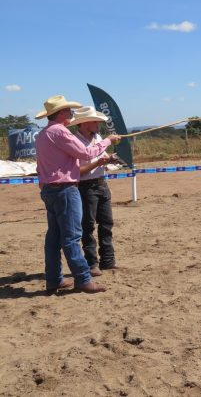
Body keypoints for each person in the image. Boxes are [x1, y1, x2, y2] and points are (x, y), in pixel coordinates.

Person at [35, 95, 121, 293]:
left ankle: (54, 279)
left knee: (54, 237)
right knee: (72, 236)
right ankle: (83, 279)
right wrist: (108, 141)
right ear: (61, 113)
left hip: (50, 189)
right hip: (64, 189)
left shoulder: (43, 134)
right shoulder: (60, 132)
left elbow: (41, 165)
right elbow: (86, 153)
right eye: (69, 110)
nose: (72, 113)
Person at [69, 106, 120, 276]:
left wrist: (109, 159)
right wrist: (98, 163)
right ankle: (92, 263)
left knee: (107, 223)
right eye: (95, 121)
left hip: (101, 184)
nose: (99, 124)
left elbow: (100, 158)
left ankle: (108, 260)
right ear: (85, 123)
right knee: (88, 226)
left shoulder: (97, 137)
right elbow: (77, 172)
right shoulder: (75, 142)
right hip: (86, 187)